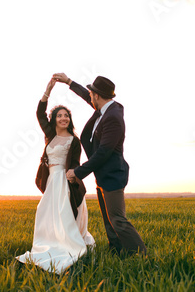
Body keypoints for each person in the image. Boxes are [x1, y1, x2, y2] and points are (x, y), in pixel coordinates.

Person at [53, 73, 147, 256]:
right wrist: (69, 82)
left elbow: (104, 152)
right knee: (108, 219)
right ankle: (116, 250)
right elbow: (85, 95)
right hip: (102, 175)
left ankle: (142, 255)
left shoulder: (112, 117)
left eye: (91, 94)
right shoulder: (105, 109)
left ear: (97, 96)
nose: (90, 97)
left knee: (117, 220)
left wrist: (78, 172)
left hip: (112, 175)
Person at [16, 78, 95, 274]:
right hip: (51, 181)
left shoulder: (74, 140)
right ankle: (47, 244)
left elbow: (76, 163)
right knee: (45, 212)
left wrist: (73, 174)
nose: (63, 118)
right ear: (54, 120)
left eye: (66, 116)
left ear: (70, 119)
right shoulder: (50, 135)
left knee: (64, 214)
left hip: (65, 182)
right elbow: (39, 114)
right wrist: (47, 91)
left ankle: (67, 245)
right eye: (59, 116)